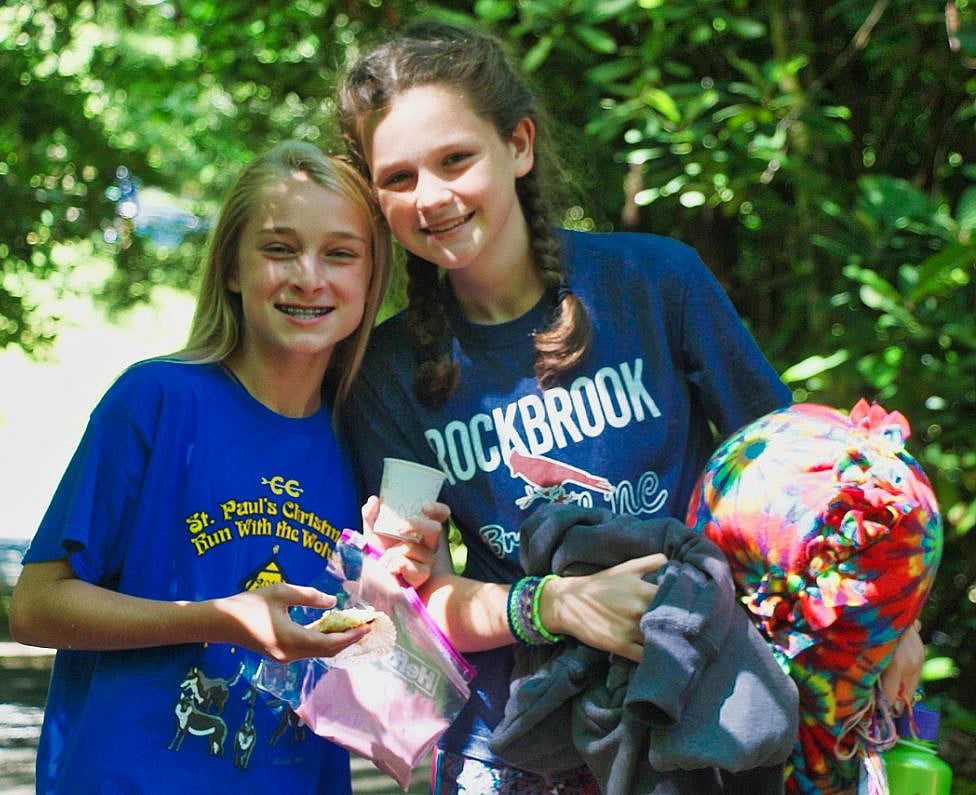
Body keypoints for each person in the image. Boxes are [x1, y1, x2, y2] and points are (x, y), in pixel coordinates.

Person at [335, 21, 925, 794]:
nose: (433, 197)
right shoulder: (385, 375)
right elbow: (424, 599)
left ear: (518, 144)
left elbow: (794, 486)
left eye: (455, 159)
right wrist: (555, 605)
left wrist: (892, 619)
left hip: (708, 713)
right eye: (399, 177)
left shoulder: (656, 283)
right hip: (519, 746)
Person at [8, 140, 446, 794]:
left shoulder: (366, 438)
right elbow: (35, 607)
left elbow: (371, 675)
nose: (309, 277)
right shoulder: (155, 400)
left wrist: (401, 589)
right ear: (233, 269)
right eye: (279, 249)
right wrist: (220, 618)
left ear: (369, 279)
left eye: (340, 253)